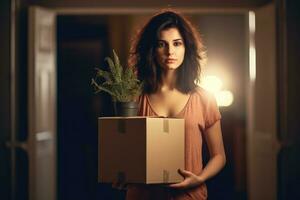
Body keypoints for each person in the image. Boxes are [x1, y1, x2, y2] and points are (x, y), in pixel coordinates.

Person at [122, 10, 226, 200]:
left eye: (177, 43)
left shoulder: (204, 98)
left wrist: (198, 179)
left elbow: (219, 155)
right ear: (151, 50)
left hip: (189, 196)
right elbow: (122, 150)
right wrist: (120, 175)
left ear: (187, 48)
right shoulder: (134, 97)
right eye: (162, 44)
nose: (170, 51)